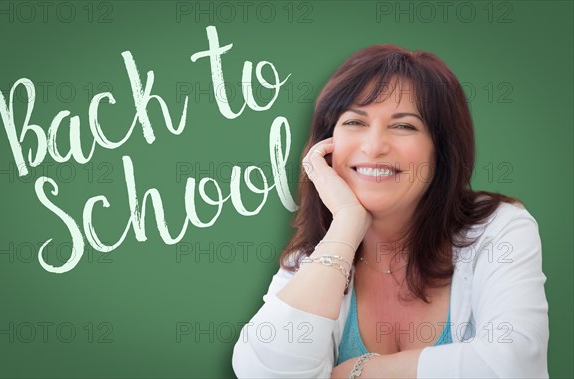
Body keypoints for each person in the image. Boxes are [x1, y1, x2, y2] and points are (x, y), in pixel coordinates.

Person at [231, 45, 549, 378]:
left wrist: (359, 372)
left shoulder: (498, 229)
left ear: (441, 150)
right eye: (355, 121)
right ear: (326, 146)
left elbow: (514, 364)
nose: (374, 146)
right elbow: (263, 371)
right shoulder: (318, 258)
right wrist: (346, 225)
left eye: (404, 126)